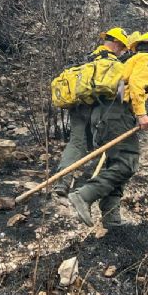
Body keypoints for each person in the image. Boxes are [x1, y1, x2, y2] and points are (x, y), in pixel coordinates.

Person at [67, 32, 148, 228]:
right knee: (127, 163)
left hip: (105, 116)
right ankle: (84, 195)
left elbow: (122, 90)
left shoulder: (128, 62)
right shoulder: (147, 59)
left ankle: (111, 219)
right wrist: (140, 114)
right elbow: (139, 86)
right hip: (117, 116)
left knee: (116, 164)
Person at [51, 27, 129, 197]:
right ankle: (91, 190)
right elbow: (120, 95)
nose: (123, 52)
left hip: (77, 107)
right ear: (116, 44)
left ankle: (62, 183)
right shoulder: (113, 65)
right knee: (103, 146)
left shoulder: (87, 60)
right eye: (122, 48)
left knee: (76, 144)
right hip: (97, 109)